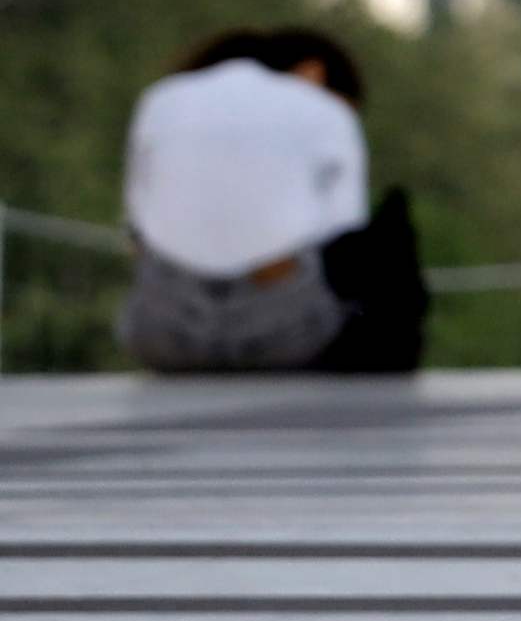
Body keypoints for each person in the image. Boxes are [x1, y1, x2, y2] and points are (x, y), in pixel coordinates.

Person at [124, 27, 420, 378]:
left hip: (161, 337)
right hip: (287, 340)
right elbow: (344, 237)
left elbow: (137, 232)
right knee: (390, 231)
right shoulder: (325, 111)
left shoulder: (161, 100)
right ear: (313, 73)